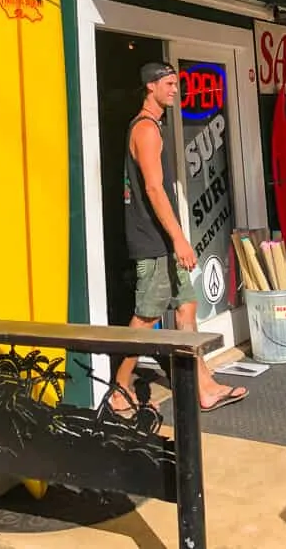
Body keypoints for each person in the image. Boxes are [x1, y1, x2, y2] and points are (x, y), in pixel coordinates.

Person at [110, 60, 248, 415]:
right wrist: (178, 239)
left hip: (163, 241)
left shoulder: (153, 126)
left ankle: (205, 387)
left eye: (175, 83)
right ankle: (120, 388)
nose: (175, 90)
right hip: (153, 242)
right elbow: (154, 189)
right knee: (146, 316)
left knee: (187, 308)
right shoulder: (146, 130)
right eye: (168, 84)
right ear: (151, 87)